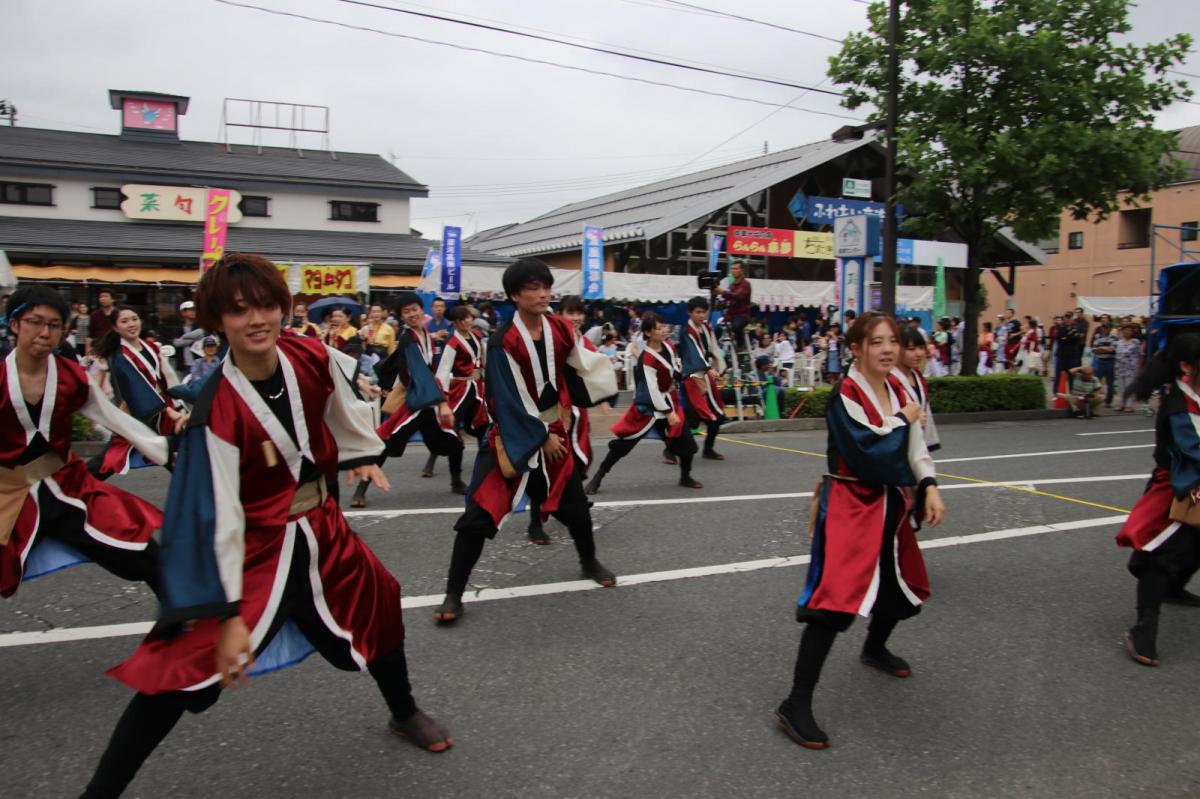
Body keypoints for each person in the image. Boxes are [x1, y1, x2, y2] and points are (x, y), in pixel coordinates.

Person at [82, 253, 451, 799]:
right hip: (254, 546)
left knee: (379, 603)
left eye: (265, 305)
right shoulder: (218, 408)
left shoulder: (304, 352)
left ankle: (404, 711)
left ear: (283, 307)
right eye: (238, 310)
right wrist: (228, 613)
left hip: (322, 526)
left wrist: (357, 454)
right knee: (182, 669)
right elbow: (218, 517)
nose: (256, 319)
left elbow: (337, 404)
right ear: (217, 321)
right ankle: (100, 792)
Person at [774, 312, 944, 750]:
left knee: (900, 586)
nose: (888, 349)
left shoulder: (897, 387)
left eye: (892, 341)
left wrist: (928, 484)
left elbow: (914, 446)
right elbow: (871, 454)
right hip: (853, 507)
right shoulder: (845, 395)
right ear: (856, 349)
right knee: (833, 605)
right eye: (876, 342)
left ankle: (873, 648)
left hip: (889, 505)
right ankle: (795, 704)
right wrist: (904, 421)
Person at [432, 258, 618, 624]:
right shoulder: (504, 341)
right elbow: (507, 397)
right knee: (478, 515)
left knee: (576, 508)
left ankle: (588, 560)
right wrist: (541, 435)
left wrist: (585, 396)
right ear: (515, 295)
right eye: (532, 288)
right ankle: (453, 593)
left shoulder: (561, 328)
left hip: (555, 434)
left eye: (545, 286)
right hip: (515, 438)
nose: (542, 294)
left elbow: (578, 367)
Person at [0, 286, 168, 601]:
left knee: (139, 546)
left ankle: (181, 622)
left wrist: (166, 449)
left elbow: (114, 419)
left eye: (54, 325)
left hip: (70, 487)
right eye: (35, 322)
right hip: (8, 493)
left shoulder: (71, 377)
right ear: (14, 325)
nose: (44, 332)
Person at [1114, 333, 1200, 668]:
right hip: (1178, 489)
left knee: (1193, 543)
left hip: (1191, 484)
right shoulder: (1179, 407)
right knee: (1159, 554)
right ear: (1186, 366)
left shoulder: (1193, 396)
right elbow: (1193, 451)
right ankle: (1143, 630)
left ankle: (1174, 587)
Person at [352, 292, 464, 507]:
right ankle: (361, 489)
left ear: (423, 310)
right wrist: (442, 403)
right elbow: (420, 371)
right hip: (415, 400)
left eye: (415, 309)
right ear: (401, 317)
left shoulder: (423, 333)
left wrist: (435, 338)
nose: (412, 314)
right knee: (385, 443)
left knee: (454, 439)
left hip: (428, 398)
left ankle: (457, 481)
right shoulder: (407, 338)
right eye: (407, 312)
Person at [586, 311, 702, 495]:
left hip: (668, 401)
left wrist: (691, 376)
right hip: (647, 407)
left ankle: (685, 476)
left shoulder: (669, 346)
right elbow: (652, 390)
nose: (664, 331)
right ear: (648, 333)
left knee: (687, 443)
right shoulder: (646, 358)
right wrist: (668, 411)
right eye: (659, 328)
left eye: (665, 326)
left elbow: (675, 369)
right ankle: (598, 477)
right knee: (623, 447)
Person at [526, 295, 602, 544]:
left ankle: (572, 504)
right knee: (545, 466)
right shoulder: (548, 341)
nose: (577, 318)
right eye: (571, 312)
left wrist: (601, 397)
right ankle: (535, 522)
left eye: (580, 312)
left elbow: (595, 374)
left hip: (578, 414)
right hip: (553, 412)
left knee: (578, 462)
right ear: (559, 314)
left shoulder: (586, 343)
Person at [93, 306, 188, 475]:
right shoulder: (120, 357)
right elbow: (137, 388)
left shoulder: (150, 347)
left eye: (134, 319)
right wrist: (170, 412)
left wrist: (179, 400)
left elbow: (166, 376)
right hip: (142, 413)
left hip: (163, 408)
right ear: (115, 328)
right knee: (111, 458)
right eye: (124, 321)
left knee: (182, 451)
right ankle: (72, 487)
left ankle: (198, 492)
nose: (131, 324)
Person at [419, 305, 489, 482]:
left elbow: (482, 362)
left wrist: (485, 376)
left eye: (468, 318)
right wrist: (441, 398)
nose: (466, 321)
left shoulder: (477, 336)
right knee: (451, 428)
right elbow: (443, 370)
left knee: (483, 427)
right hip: (461, 388)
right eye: (461, 319)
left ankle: (486, 468)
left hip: (478, 388)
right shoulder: (453, 342)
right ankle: (452, 475)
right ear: (456, 323)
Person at [677, 296, 727, 461]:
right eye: (697, 312)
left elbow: (714, 349)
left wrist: (721, 369)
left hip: (705, 377)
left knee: (717, 415)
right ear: (689, 313)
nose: (701, 315)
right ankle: (671, 449)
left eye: (703, 312)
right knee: (692, 419)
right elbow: (694, 354)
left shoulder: (706, 328)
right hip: (692, 379)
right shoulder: (686, 332)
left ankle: (708, 449)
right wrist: (709, 369)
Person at [897, 325, 940, 452]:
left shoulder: (918, 377)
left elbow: (926, 412)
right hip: (898, 447)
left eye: (921, 348)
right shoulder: (888, 379)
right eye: (911, 349)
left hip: (918, 445)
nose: (918, 354)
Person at [716, 259, 752, 352]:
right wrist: (720, 303)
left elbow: (737, 296)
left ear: (742, 270)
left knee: (736, 326)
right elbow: (728, 300)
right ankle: (715, 347)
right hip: (730, 315)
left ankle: (741, 345)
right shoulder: (732, 285)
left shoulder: (746, 284)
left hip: (742, 315)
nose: (733, 271)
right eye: (732, 269)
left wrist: (722, 292)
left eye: (736, 269)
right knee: (716, 328)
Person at [1114, 323, 1143, 412]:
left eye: (1129, 330)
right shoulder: (1119, 342)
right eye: (1125, 330)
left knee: (1129, 386)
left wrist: (1140, 368)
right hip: (1120, 368)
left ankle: (1129, 405)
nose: (1127, 332)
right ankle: (1121, 404)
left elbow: (1140, 355)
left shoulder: (1135, 342)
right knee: (1121, 387)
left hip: (1131, 368)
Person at [1090, 316, 1118, 407]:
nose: (1105, 329)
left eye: (1107, 328)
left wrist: (1101, 348)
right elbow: (1094, 349)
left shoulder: (1114, 338)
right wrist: (1104, 349)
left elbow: (1112, 349)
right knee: (1096, 381)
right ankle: (1095, 400)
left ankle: (1108, 402)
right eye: (1104, 328)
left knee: (1110, 383)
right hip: (1100, 361)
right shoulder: (1098, 337)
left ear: (1110, 329)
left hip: (1110, 361)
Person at [171, 300, 204, 372]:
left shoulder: (200, 326)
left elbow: (203, 336)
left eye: (195, 310)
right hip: (183, 364)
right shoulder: (178, 327)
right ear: (183, 312)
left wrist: (183, 339)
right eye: (191, 310)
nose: (194, 312)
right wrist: (194, 337)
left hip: (199, 362)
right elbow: (176, 343)